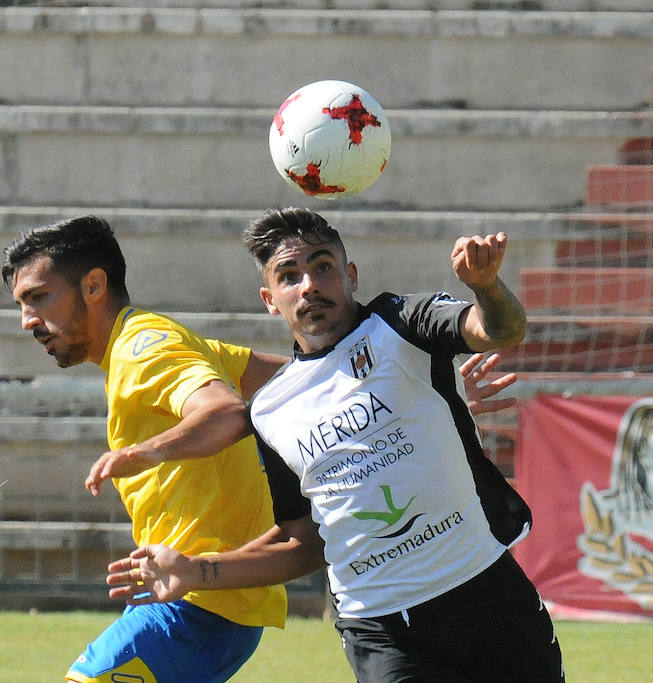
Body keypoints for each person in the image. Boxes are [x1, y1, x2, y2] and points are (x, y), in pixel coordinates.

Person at [1, 214, 520, 682]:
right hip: (198, 589)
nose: (27, 320)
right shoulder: (154, 340)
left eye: (38, 298)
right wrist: (422, 399)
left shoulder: (143, 350)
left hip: (200, 606)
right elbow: (308, 383)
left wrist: (148, 451)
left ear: (93, 285)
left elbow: (225, 412)